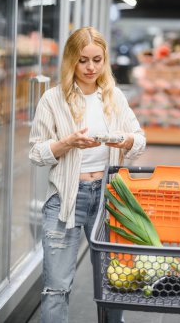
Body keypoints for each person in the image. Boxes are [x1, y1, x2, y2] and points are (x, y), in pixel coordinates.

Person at [29, 26, 146, 323]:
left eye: (97, 59)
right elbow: (36, 153)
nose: (91, 67)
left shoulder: (114, 97)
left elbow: (139, 139)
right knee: (56, 288)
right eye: (83, 60)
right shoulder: (53, 100)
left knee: (114, 282)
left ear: (105, 60)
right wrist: (69, 142)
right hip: (67, 198)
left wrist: (126, 140)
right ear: (71, 61)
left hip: (108, 196)